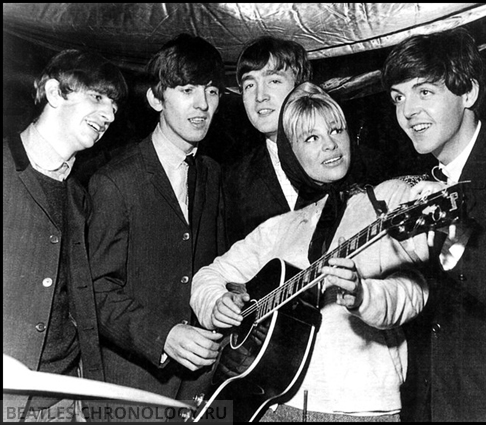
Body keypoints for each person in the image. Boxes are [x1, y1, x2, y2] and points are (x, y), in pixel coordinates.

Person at [191, 82, 430, 421]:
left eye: (336, 129)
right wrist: (216, 304)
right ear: (293, 154)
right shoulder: (283, 227)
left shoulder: (386, 200)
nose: (331, 144)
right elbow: (208, 276)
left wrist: (364, 295)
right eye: (311, 138)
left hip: (359, 407)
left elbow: (413, 290)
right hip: (277, 406)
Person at [381, 27, 486, 422]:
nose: (407, 111)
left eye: (424, 92)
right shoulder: (424, 185)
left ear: (468, 94)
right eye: (398, 97)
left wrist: (460, 237)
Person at [86, 34, 226, 421]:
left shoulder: (212, 174)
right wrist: (163, 335)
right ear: (155, 98)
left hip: (201, 391)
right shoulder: (115, 181)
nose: (202, 105)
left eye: (211, 91)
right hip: (130, 395)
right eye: (186, 90)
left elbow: (211, 270)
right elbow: (94, 291)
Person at [3, 49, 128, 422]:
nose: (109, 115)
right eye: (97, 97)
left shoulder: (78, 195)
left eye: (114, 107)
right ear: (56, 93)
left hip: (64, 401)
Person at [222, 36, 313, 246]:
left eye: (273, 81)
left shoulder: (349, 161)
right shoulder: (233, 180)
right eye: (249, 85)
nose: (260, 96)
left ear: (303, 88)